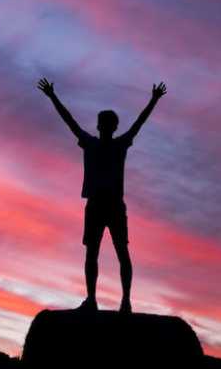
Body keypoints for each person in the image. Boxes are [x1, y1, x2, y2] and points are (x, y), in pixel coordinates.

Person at [37, 78, 167, 313]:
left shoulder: (116, 144)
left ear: (107, 126)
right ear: (101, 125)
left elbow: (139, 122)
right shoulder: (94, 144)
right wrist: (52, 96)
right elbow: (69, 121)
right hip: (97, 204)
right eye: (103, 122)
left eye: (106, 122)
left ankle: (124, 300)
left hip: (112, 205)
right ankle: (93, 299)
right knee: (95, 253)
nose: (104, 125)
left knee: (119, 252)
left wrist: (154, 100)